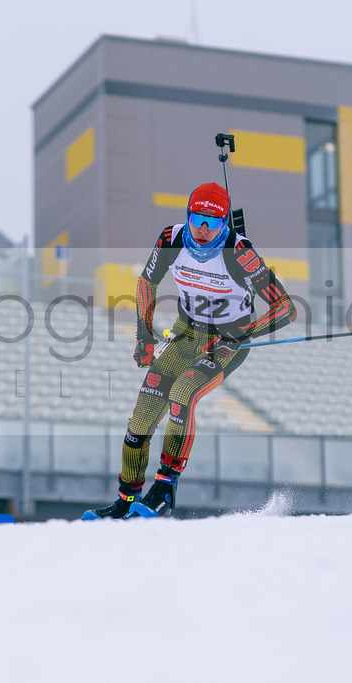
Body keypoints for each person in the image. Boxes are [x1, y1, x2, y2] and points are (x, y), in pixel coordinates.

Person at [84, 182, 296, 519]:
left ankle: (165, 488)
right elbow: (145, 283)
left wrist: (239, 337)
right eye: (198, 219)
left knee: (183, 393)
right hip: (186, 333)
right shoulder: (171, 239)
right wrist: (144, 335)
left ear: (225, 223)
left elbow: (285, 308)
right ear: (188, 214)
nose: (203, 229)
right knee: (143, 414)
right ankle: (125, 501)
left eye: (213, 223)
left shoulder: (239, 253)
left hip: (226, 341)